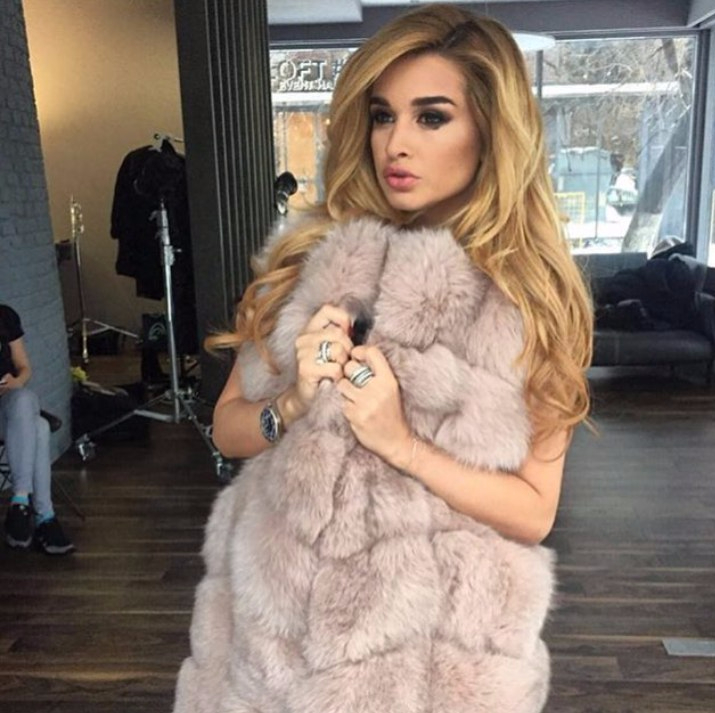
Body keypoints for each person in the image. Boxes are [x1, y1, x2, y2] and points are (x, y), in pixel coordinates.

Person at [175, 4, 592, 712]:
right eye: (382, 115)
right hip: (273, 645)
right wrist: (292, 403)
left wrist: (402, 445)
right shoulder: (305, 265)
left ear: (490, 130)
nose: (396, 143)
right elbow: (228, 430)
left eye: (431, 117)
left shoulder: (530, 301)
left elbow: (533, 511)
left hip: (433, 663)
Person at [0, 304, 75, 555]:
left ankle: (21, 502)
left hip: (9, 403)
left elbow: (24, 368)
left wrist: (15, 382)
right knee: (40, 427)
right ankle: (44, 517)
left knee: (25, 399)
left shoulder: (5, 315)